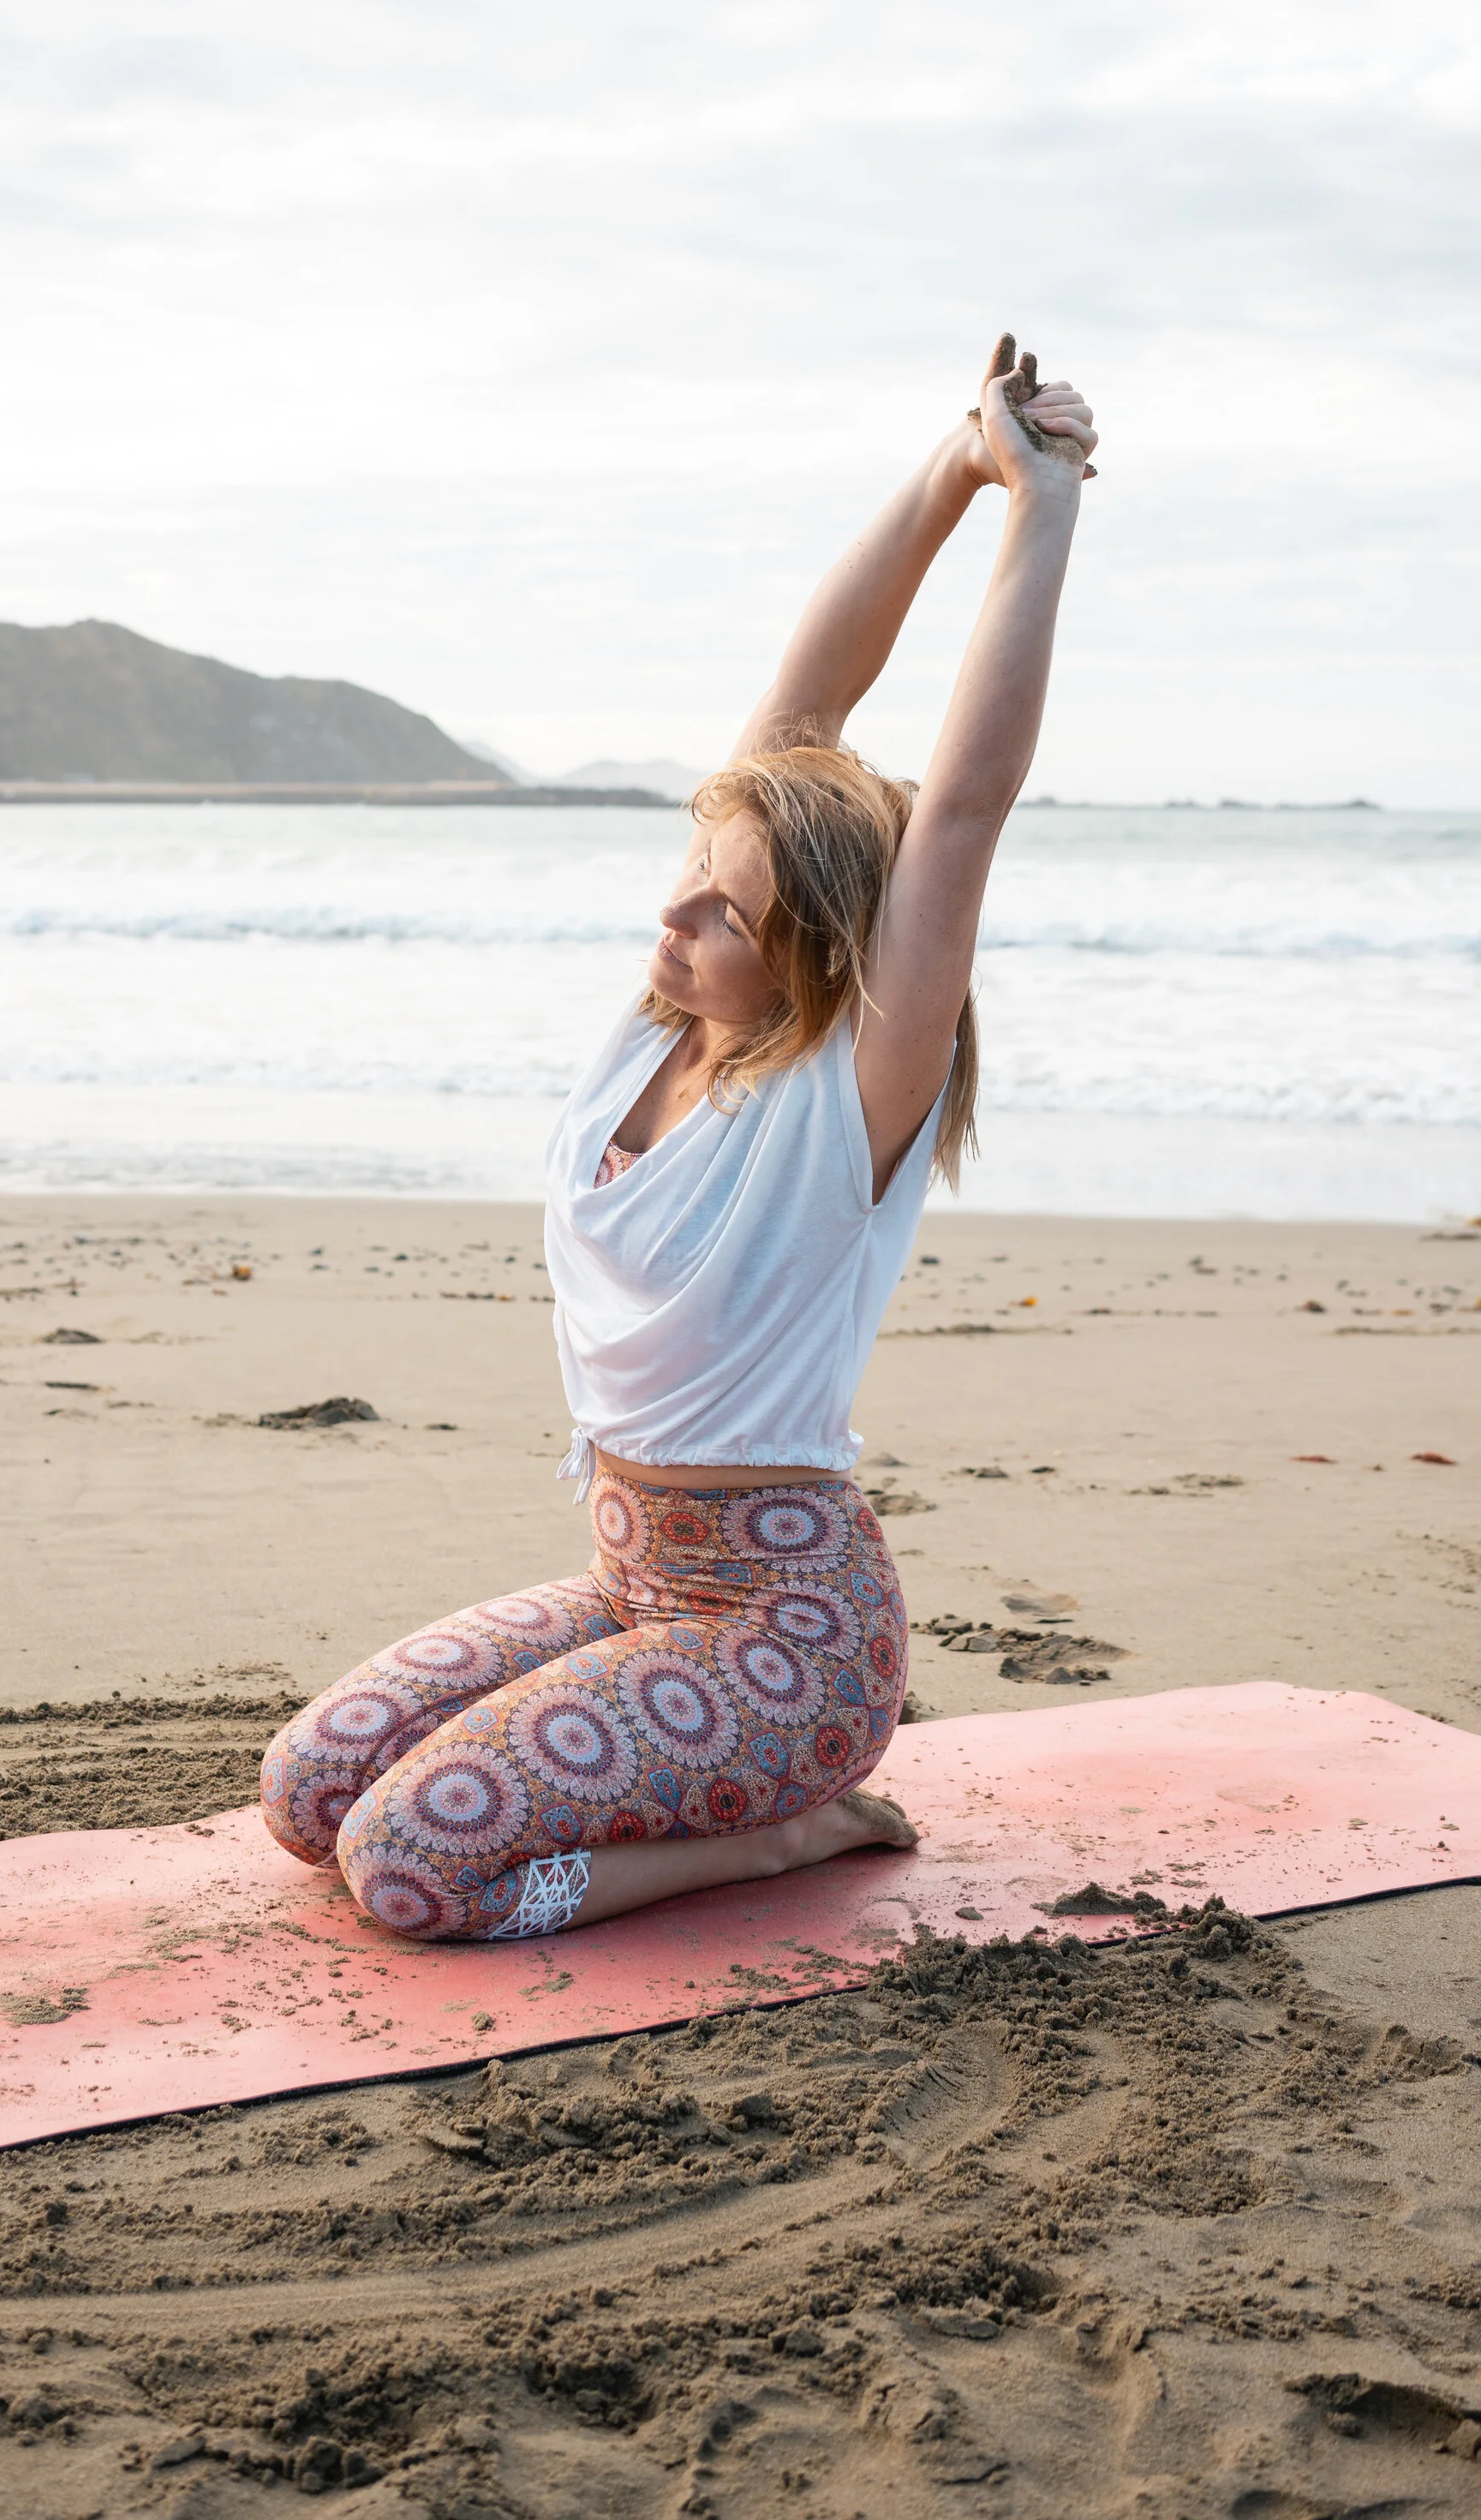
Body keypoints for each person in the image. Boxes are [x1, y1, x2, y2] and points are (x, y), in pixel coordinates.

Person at [260, 334, 1097, 1941]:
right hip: (639, 1593)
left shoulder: (844, 1094)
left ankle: (786, 1838)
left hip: (789, 1642)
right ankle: (733, 1802)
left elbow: (971, 804)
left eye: (727, 912)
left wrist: (1038, 510)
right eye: (693, 871)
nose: (678, 910)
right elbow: (803, 703)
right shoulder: (661, 1024)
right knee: (309, 1796)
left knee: (409, 1873)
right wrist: (947, 470)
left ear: (818, 962)